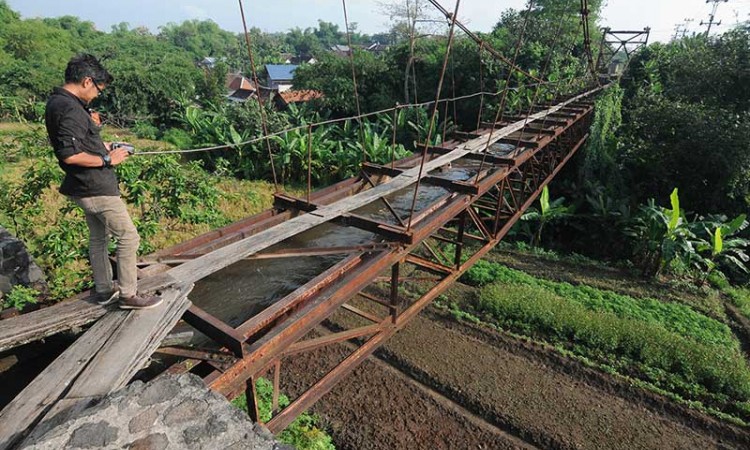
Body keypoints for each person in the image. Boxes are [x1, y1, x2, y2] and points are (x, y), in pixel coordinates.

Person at [45, 54, 161, 310]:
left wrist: (101, 143)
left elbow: (79, 143)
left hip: (82, 187)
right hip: (95, 186)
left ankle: (104, 290)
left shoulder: (59, 102)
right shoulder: (70, 109)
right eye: (98, 89)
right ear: (87, 81)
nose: (97, 94)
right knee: (129, 236)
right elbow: (71, 154)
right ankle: (129, 295)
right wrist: (109, 159)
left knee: (99, 238)